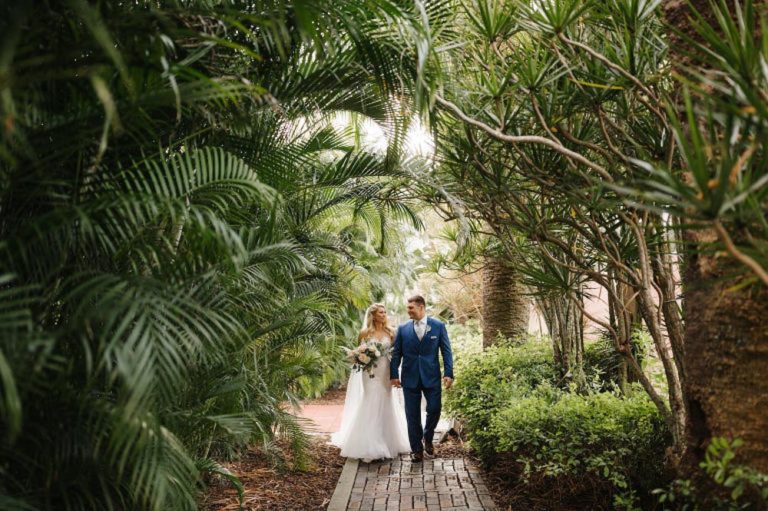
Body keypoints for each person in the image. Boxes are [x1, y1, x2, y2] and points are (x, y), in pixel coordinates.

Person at [330, 303, 411, 462]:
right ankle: (369, 444)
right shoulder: (365, 333)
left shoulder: (392, 332)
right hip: (370, 373)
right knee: (371, 401)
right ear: (373, 315)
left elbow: (396, 354)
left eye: (385, 312)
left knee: (385, 402)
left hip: (386, 371)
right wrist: (363, 358)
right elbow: (358, 354)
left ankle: (387, 441)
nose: (384, 314)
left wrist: (395, 373)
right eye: (381, 312)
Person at [389, 295, 454, 462]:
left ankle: (428, 436)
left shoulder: (438, 326)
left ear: (421, 307)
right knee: (412, 414)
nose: (408, 310)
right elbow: (396, 354)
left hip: (431, 376)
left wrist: (448, 373)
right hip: (409, 377)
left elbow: (446, 351)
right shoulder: (402, 329)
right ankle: (416, 449)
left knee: (435, 408)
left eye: (411, 308)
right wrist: (394, 375)